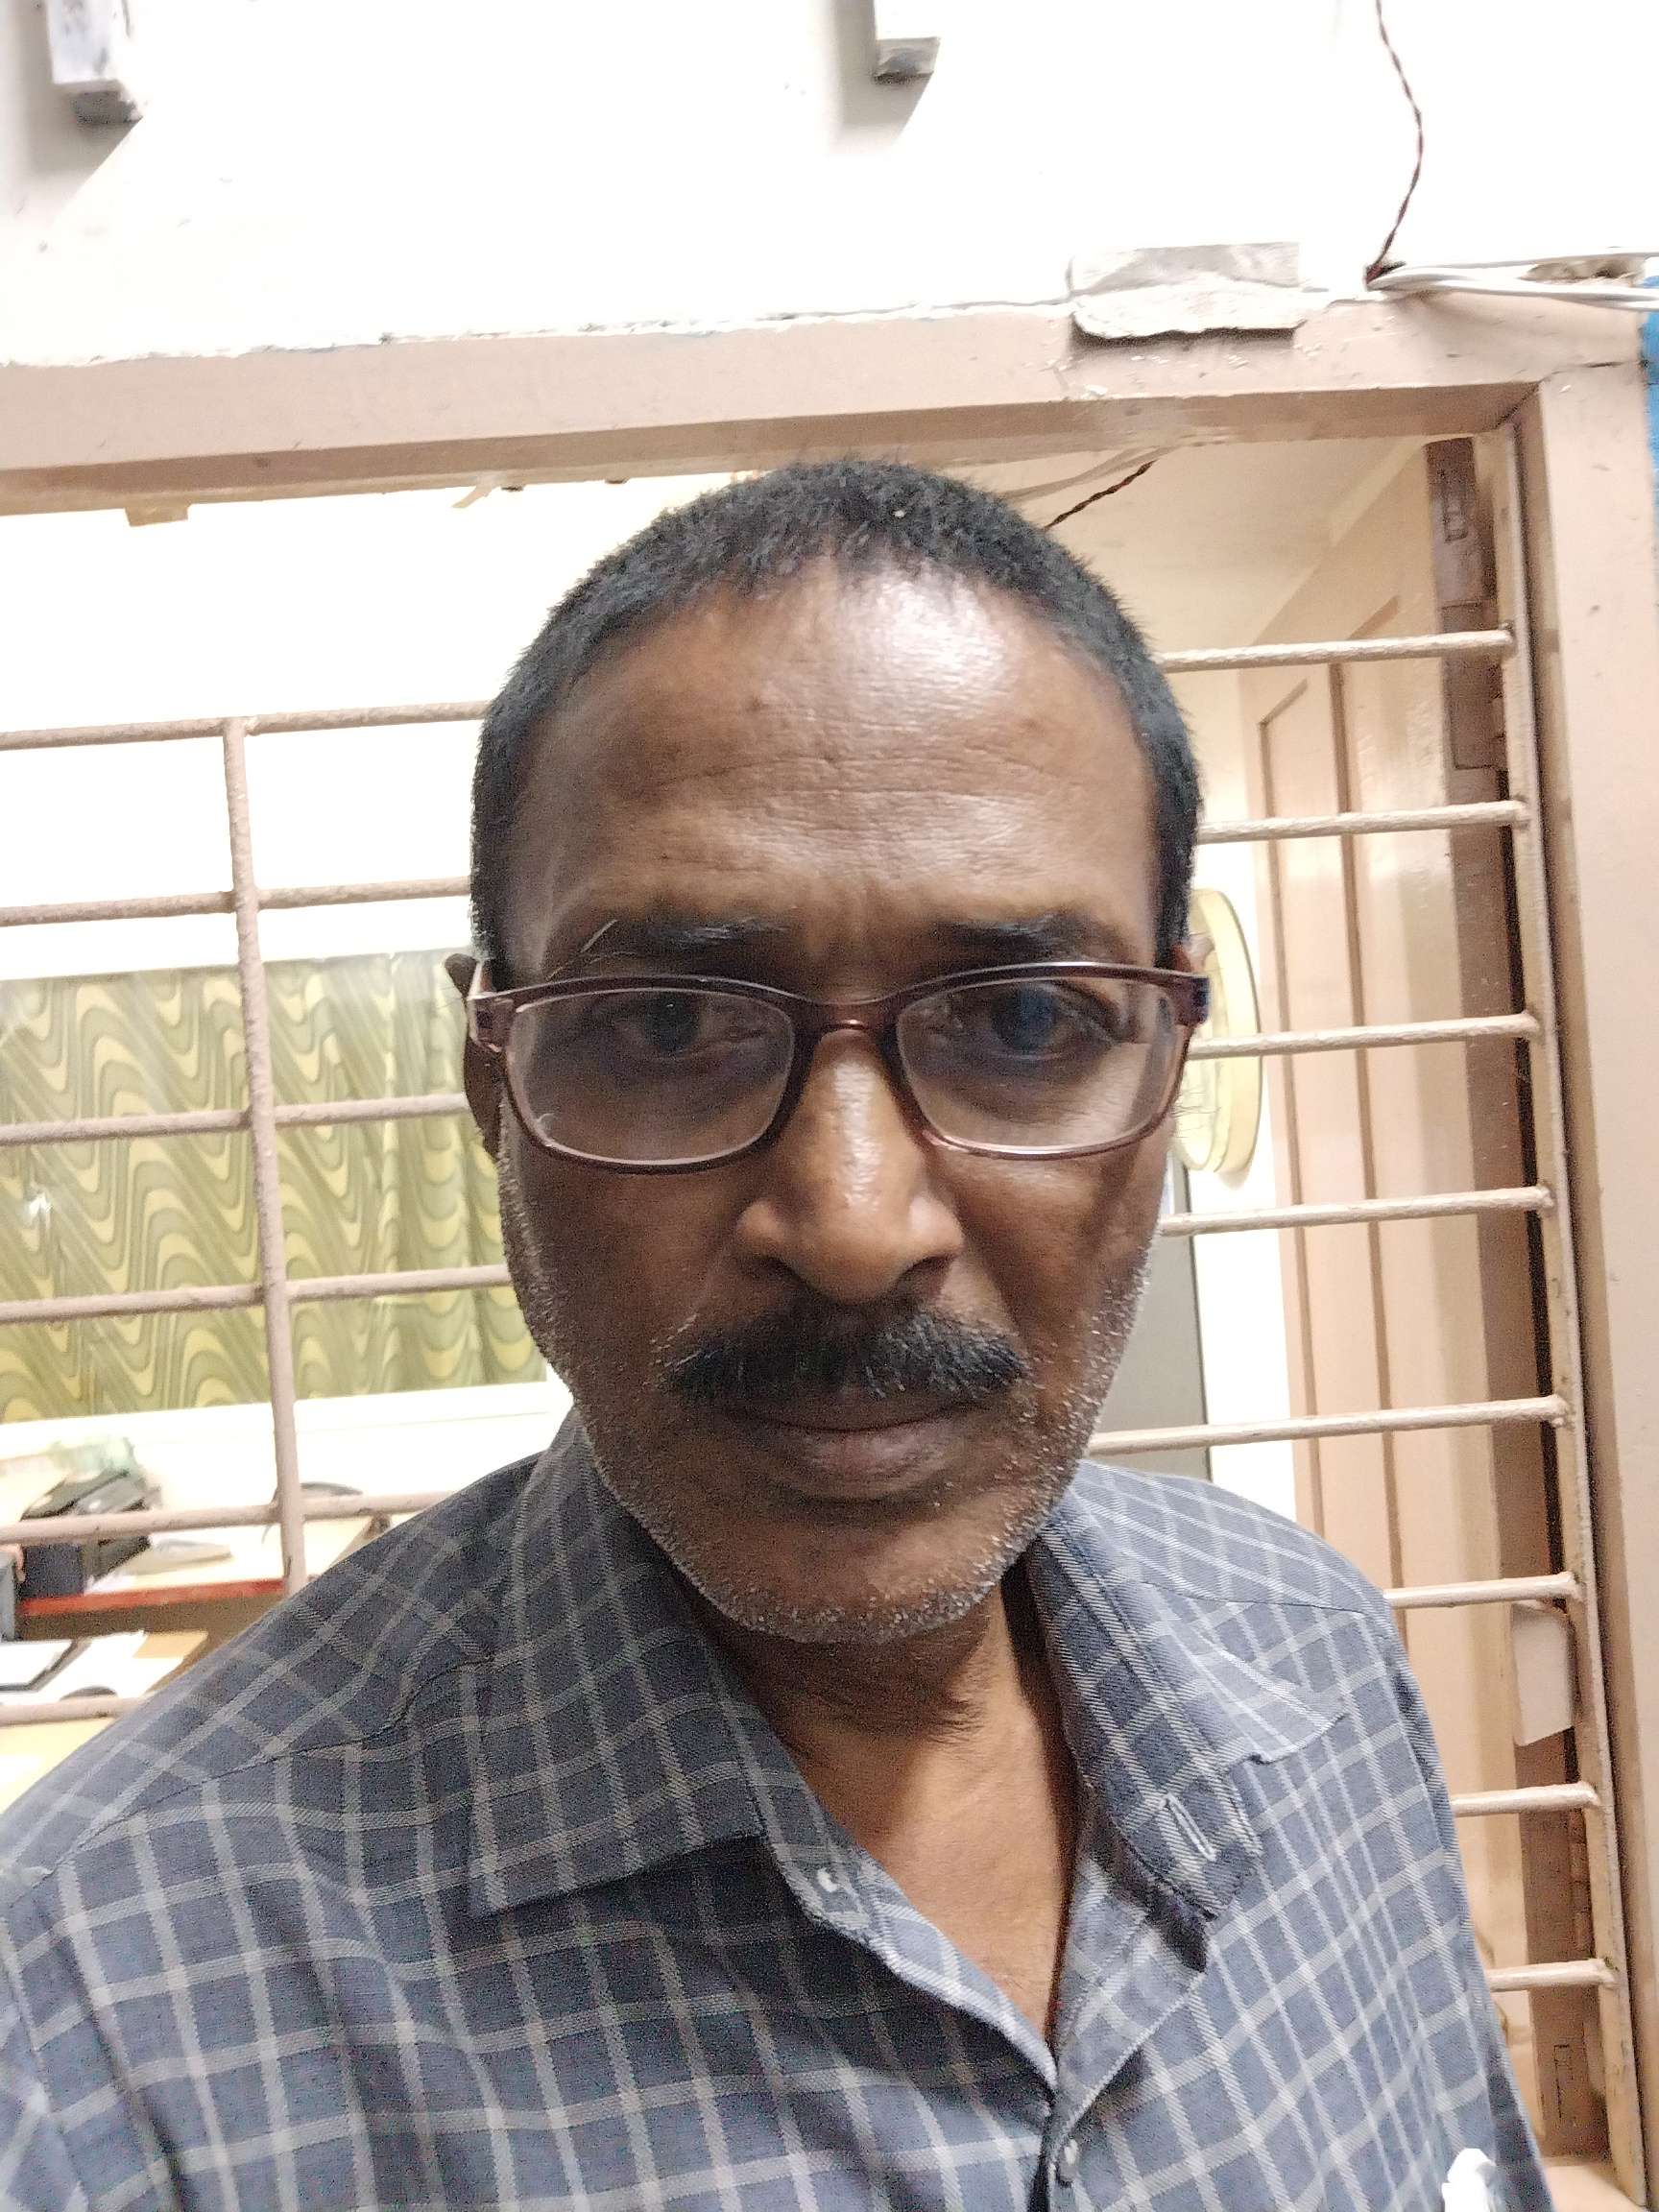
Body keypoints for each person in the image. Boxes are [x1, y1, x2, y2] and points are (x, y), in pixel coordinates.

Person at [0, 461, 1547, 2210]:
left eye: (1023, 1019)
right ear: (492, 1086)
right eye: (668, 1024)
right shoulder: (91, 2026)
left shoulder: (1319, 1668)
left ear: (1170, 1058)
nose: (855, 1227)